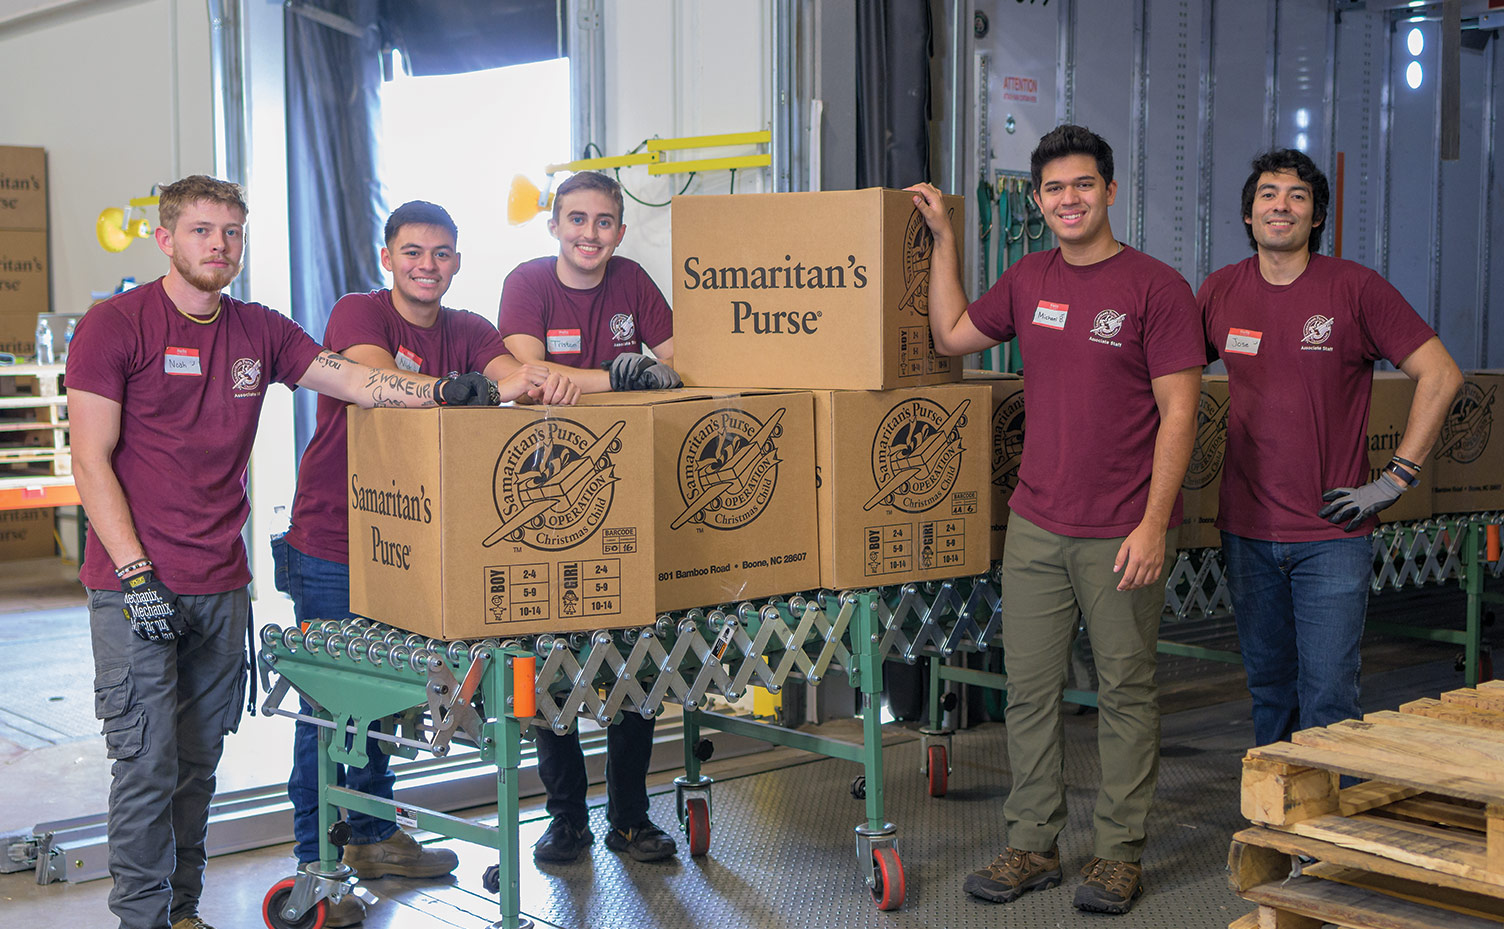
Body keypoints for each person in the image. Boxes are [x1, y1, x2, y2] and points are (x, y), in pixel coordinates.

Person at [65, 175, 551, 929]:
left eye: (231, 232)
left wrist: (444, 393)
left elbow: (355, 379)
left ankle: (183, 911)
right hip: (137, 585)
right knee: (147, 763)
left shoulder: (259, 329)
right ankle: (141, 919)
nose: (218, 246)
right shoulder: (115, 324)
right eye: (200, 231)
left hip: (221, 582)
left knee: (196, 766)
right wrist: (134, 573)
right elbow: (89, 459)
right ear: (165, 239)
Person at [908, 124, 1204, 915]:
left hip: (1123, 526)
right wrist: (945, 238)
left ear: (1110, 190)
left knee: (1123, 691)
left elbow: (1183, 413)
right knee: (1031, 691)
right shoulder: (1029, 278)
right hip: (1037, 522)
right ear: (1037, 201)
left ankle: (1117, 853)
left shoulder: (1156, 287)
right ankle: (1033, 843)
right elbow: (951, 336)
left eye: (1082, 185)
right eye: (1053, 189)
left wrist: (1154, 522)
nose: (1068, 200)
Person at [274, 200, 577, 926]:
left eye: (441, 253)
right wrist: (457, 389)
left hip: (413, 542)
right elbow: (376, 382)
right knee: (328, 701)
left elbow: (515, 375)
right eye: (413, 252)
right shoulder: (360, 313)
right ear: (388, 257)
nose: (427, 265)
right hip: (334, 538)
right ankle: (313, 858)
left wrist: (551, 380)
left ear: (458, 261)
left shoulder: (469, 329)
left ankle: (375, 836)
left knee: (380, 697)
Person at [1198, 149, 1462, 748]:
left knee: (1330, 696)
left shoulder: (1355, 289)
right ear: (1249, 213)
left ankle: (1324, 839)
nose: (1281, 206)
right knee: (1269, 689)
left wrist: (1396, 479)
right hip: (1246, 530)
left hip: (1331, 534)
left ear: (1316, 216)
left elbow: (1442, 374)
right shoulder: (1219, 291)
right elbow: (1169, 379)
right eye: (1268, 194)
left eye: (1297, 196)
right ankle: (1280, 823)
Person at [496, 170, 679, 865]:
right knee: (552, 667)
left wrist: (601, 377)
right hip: (549, 500)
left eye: (604, 222)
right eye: (577, 220)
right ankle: (567, 817)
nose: (589, 234)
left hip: (629, 491)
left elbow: (679, 365)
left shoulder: (633, 280)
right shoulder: (527, 282)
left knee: (637, 661)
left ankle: (630, 816)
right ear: (554, 225)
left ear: (621, 231)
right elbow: (531, 376)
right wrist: (623, 374)